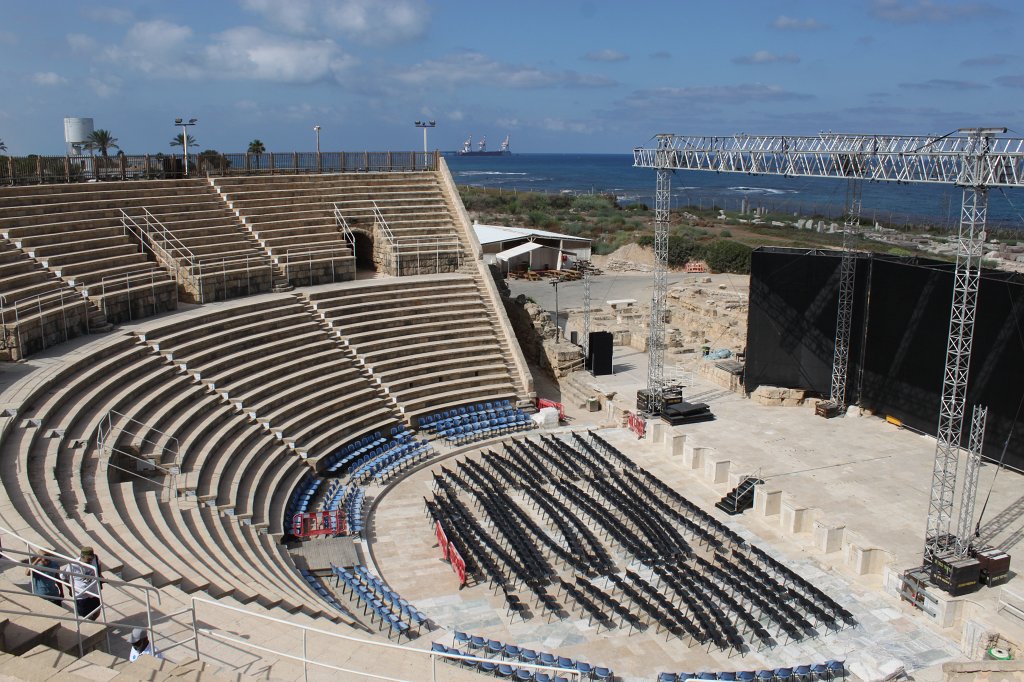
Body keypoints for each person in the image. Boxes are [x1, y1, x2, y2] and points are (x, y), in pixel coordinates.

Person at [62, 546, 102, 621]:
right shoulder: (73, 565)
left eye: (91, 558)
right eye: (88, 559)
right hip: (81, 595)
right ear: (82, 557)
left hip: (94, 592)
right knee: (85, 616)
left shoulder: (95, 558)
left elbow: (99, 564)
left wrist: (99, 576)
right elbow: (63, 577)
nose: (90, 561)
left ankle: (92, 622)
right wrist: (70, 589)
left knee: (97, 610)